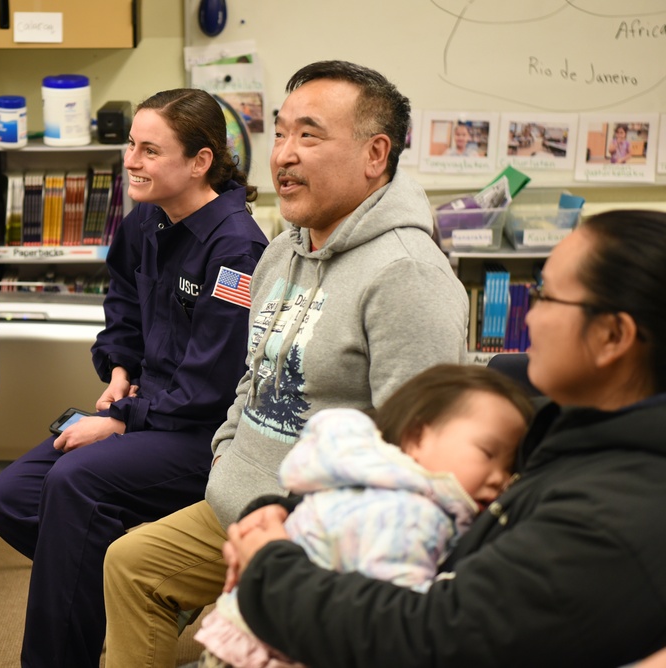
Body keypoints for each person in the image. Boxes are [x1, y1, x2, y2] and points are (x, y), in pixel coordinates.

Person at [102, 60, 470, 668]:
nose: (284, 155)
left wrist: (289, 531)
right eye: (280, 133)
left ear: (376, 154)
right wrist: (225, 450)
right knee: (131, 564)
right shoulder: (279, 253)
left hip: (321, 532)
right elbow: (254, 372)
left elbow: (418, 455)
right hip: (235, 499)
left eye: (310, 135)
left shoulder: (408, 276)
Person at [225, 209, 666, 668]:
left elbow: (426, 638)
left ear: (613, 335)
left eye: (546, 296)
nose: (529, 317)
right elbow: (388, 465)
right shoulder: (555, 422)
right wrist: (279, 514)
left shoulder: (617, 516)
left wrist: (269, 565)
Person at [0, 88, 269, 668]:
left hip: (202, 435)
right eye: (130, 145)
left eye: (149, 150)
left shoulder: (237, 247)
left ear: (200, 161)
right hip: (144, 408)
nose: (130, 161)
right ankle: (129, 589)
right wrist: (118, 370)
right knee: (9, 497)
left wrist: (116, 421)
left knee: (74, 482)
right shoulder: (146, 220)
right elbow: (123, 307)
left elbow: (209, 390)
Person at [194, 364, 533, 668]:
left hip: (248, 628)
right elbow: (393, 626)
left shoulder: (360, 472)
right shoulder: (412, 517)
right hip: (280, 647)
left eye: (509, 470)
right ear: (417, 437)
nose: (499, 479)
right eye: (488, 453)